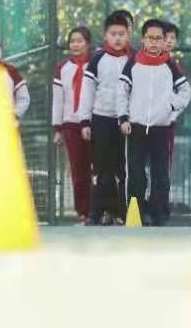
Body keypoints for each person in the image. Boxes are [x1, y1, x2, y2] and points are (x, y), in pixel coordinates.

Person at [118, 19, 191, 226]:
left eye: (159, 38)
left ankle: (159, 214)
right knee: (135, 173)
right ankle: (136, 214)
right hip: (136, 128)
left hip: (161, 128)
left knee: (161, 174)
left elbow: (185, 92)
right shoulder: (132, 63)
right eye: (150, 38)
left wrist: (171, 108)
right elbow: (121, 93)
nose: (154, 42)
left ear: (163, 41)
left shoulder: (170, 65)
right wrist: (123, 118)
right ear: (143, 39)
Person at [79, 13, 132, 225]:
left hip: (126, 123)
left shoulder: (135, 59)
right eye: (113, 34)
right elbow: (87, 92)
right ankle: (96, 213)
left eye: (122, 34)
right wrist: (84, 121)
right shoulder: (97, 60)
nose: (117, 38)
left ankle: (123, 213)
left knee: (123, 170)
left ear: (129, 35)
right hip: (101, 120)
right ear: (105, 36)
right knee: (102, 170)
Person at [53, 26, 94, 224]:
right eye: (72, 41)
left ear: (88, 44)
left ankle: (100, 211)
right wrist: (58, 128)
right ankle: (83, 212)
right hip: (71, 125)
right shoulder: (62, 68)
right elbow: (58, 100)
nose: (76, 44)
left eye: (80, 41)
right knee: (79, 172)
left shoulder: (96, 65)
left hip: (95, 123)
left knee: (100, 171)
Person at [163, 22, 184, 170]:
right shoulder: (141, 63)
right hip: (143, 125)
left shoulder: (175, 65)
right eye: (165, 37)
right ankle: (135, 195)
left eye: (173, 37)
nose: (169, 40)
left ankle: (159, 194)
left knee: (164, 166)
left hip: (167, 124)